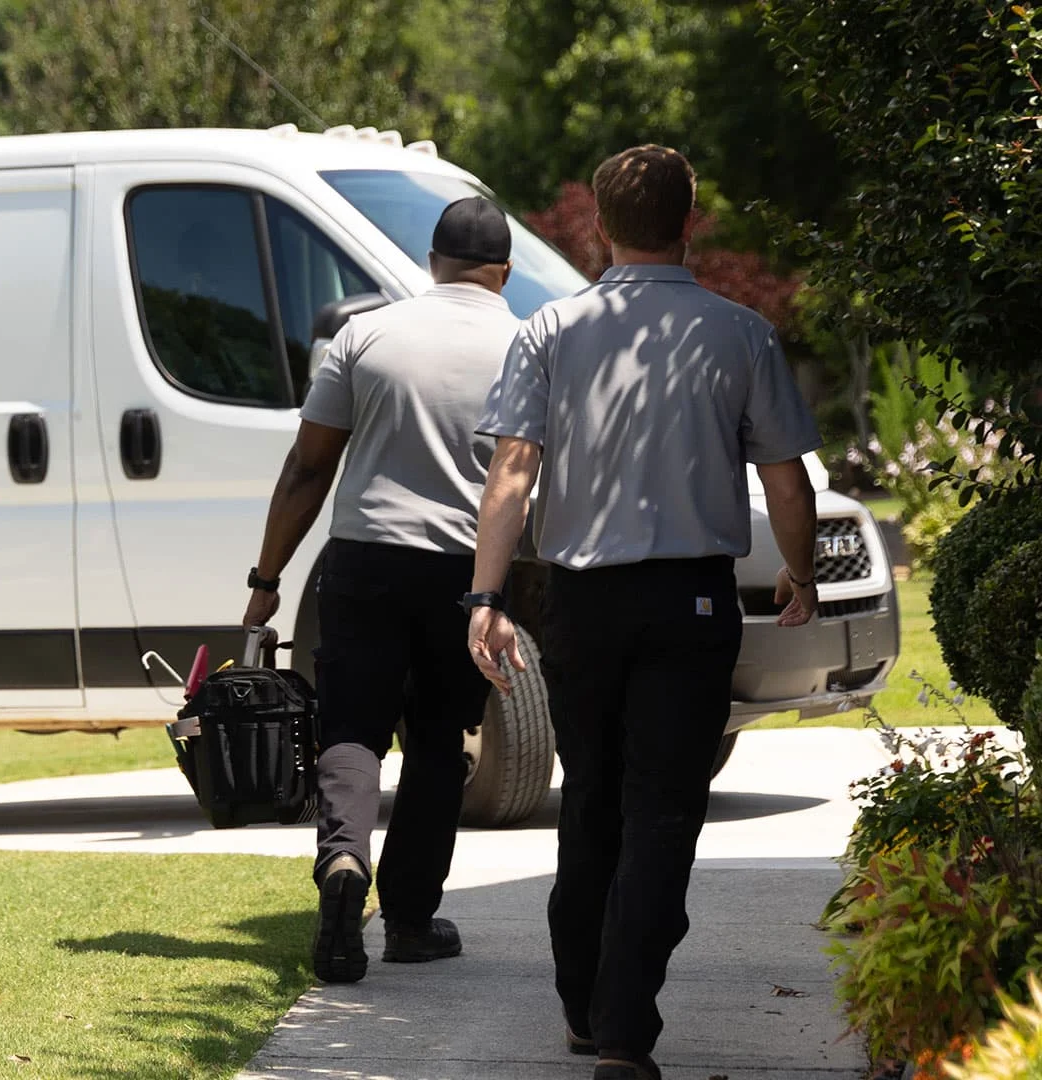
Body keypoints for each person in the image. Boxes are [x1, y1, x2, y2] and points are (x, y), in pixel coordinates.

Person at [464, 145, 822, 1080]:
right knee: (664, 811)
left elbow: (513, 470)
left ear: (600, 225)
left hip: (581, 602)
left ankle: (584, 998)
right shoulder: (738, 334)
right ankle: (623, 1028)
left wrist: (488, 595)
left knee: (591, 800)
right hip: (690, 601)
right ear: (690, 220)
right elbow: (784, 478)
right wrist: (800, 571)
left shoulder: (548, 329)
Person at [243, 197, 522, 984]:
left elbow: (307, 467)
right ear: (502, 271)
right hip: (467, 575)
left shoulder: (364, 334)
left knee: (352, 729)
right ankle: (407, 918)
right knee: (439, 744)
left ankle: (342, 863)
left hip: (363, 560)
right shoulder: (529, 344)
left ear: (433, 262)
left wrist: (266, 582)